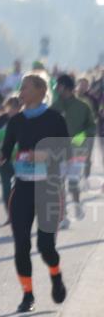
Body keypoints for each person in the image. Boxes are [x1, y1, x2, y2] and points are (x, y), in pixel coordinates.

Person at [0, 72, 69, 313]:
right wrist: (1, 157)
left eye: (25, 88)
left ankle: (55, 275)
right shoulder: (16, 121)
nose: (21, 92)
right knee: (21, 245)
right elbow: (6, 150)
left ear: (40, 90)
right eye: (20, 88)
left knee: (46, 246)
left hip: (48, 189)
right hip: (23, 189)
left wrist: (47, 155)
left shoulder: (55, 119)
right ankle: (27, 295)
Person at [50, 73, 97, 226]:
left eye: (58, 85)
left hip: (77, 151)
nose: (56, 88)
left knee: (73, 183)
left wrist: (81, 137)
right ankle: (63, 216)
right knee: (58, 184)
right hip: (58, 151)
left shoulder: (83, 105)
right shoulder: (54, 106)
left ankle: (77, 204)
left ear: (65, 87)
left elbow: (91, 127)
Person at [0, 96, 22, 219]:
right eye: (10, 107)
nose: (12, 110)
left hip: (21, 161)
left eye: (15, 107)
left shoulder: (27, 120)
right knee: (6, 189)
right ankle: (10, 215)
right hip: (2, 159)